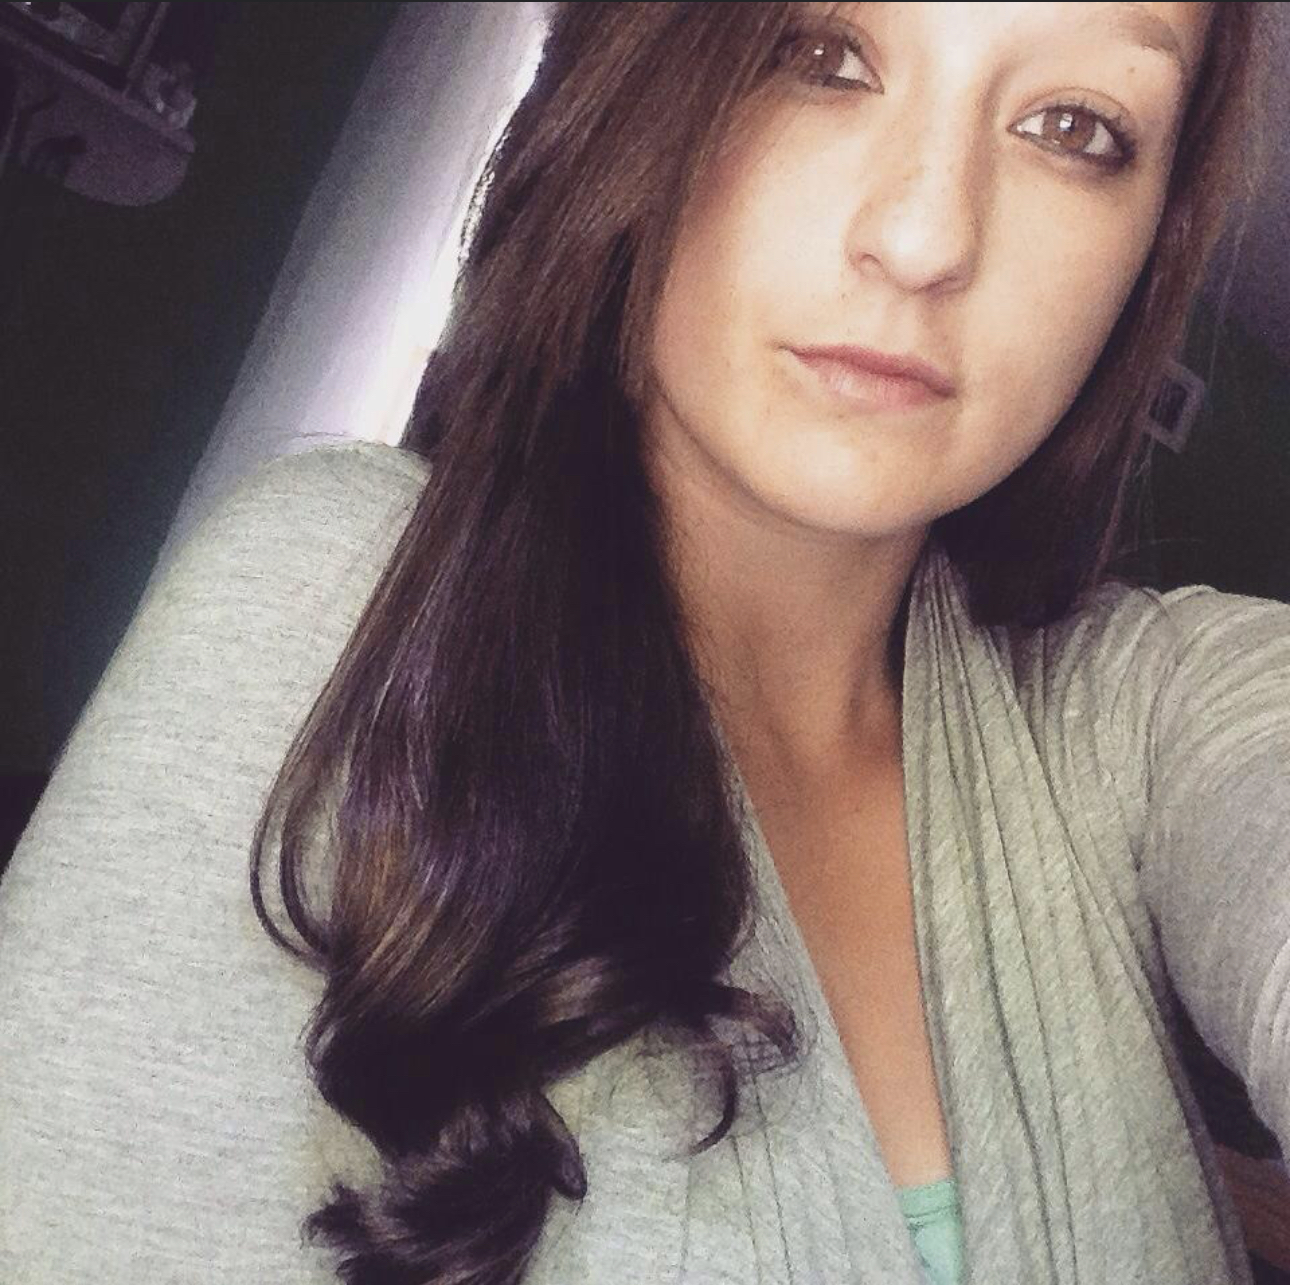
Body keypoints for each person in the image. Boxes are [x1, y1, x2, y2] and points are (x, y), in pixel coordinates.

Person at [0, 3, 1284, 1284]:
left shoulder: (1139, 714)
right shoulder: (353, 614)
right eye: (818, 55)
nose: (922, 239)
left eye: (1074, 126)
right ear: (642, 78)